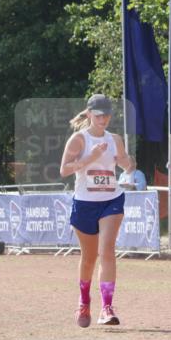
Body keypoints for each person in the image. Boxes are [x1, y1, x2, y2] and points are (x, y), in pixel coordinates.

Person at [59, 94, 133, 327]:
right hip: (84, 203)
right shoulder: (78, 140)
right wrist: (90, 158)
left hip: (111, 199)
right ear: (89, 114)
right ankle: (83, 301)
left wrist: (126, 161)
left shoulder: (115, 138)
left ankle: (107, 308)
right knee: (89, 258)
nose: (104, 119)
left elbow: (125, 163)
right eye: (99, 115)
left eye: (107, 115)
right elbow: (64, 170)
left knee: (107, 251)